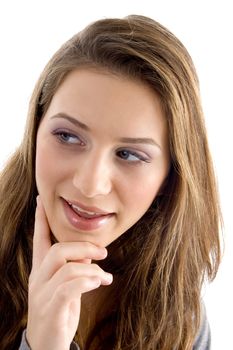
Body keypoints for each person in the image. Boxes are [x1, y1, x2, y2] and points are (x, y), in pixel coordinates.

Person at [0, 15, 221, 350]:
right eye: (67, 136)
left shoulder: (181, 318)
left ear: (169, 177)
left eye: (129, 155)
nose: (90, 185)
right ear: (35, 130)